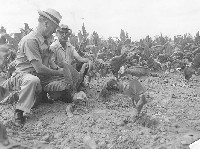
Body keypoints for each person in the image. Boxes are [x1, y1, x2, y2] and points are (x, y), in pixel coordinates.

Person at [0, 8, 67, 126]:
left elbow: (50, 63)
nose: (54, 32)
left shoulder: (46, 40)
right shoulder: (31, 40)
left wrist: (61, 70)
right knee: (32, 80)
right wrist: (59, 73)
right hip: (24, 76)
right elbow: (39, 68)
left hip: (41, 76)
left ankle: (40, 96)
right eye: (54, 28)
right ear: (46, 23)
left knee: (64, 81)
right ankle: (19, 111)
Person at [50, 24, 93, 89]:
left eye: (66, 33)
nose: (64, 35)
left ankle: (80, 84)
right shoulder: (53, 47)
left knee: (84, 64)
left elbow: (79, 58)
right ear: (57, 34)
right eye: (62, 33)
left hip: (70, 72)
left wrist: (89, 60)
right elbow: (52, 64)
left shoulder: (69, 46)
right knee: (65, 90)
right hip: (59, 74)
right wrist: (61, 70)